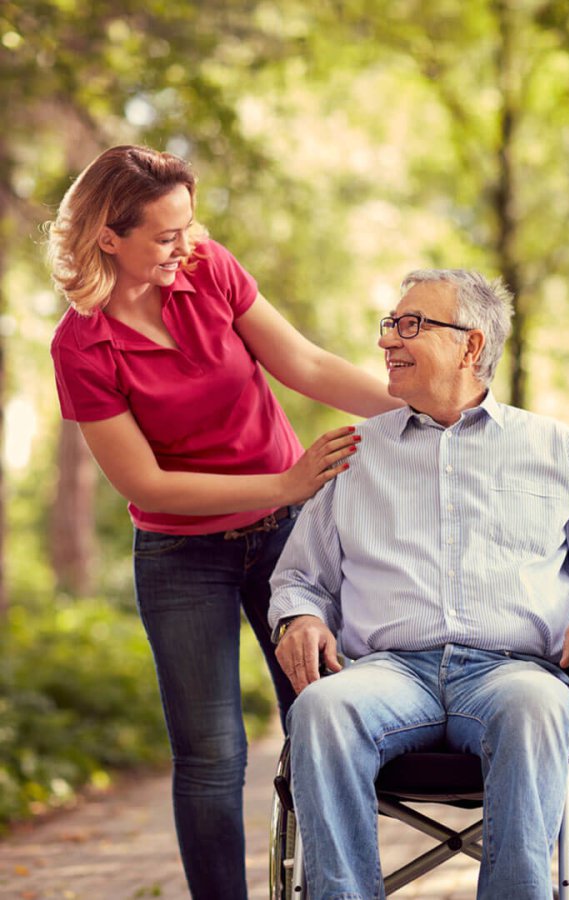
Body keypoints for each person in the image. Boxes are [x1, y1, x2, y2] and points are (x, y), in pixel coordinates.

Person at [47, 144, 404, 900]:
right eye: (166, 234)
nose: (188, 241)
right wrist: (283, 479)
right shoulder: (81, 346)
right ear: (108, 237)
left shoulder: (208, 268)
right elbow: (143, 483)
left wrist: (422, 407)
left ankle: (340, 888)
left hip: (286, 539)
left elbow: (303, 363)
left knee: (326, 716)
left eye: (188, 224)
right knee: (211, 755)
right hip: (182, 558)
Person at [268, 268, 569, 900]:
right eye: (389, 324)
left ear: (470, 346)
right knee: (321, 709)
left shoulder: (558, 450)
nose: (388, 340)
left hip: (514, 672)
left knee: (535, 708)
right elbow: (300, 580)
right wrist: (300, 618)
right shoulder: (355, 453)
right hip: (390, 673)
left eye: (410, 325)